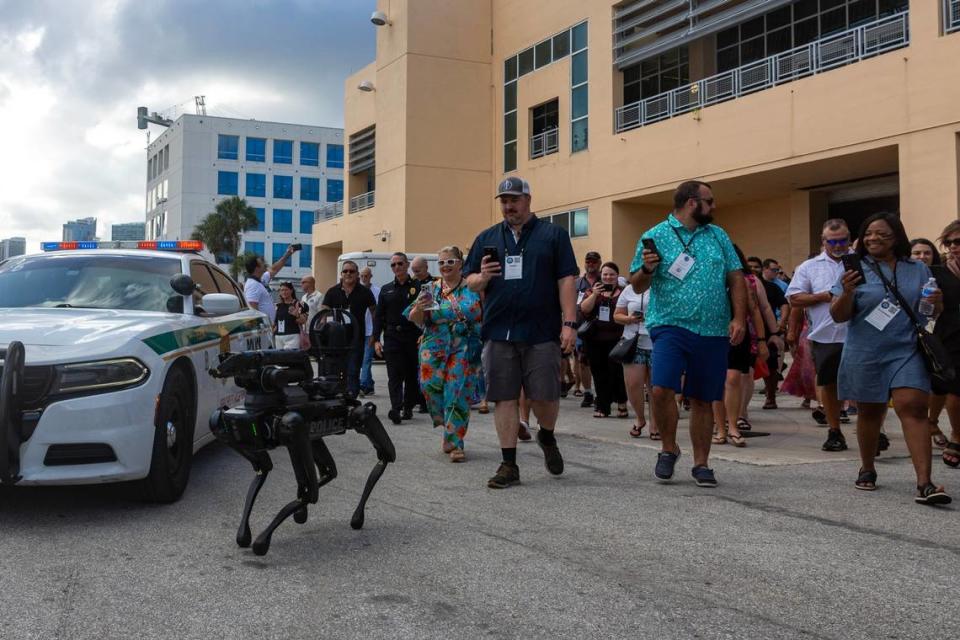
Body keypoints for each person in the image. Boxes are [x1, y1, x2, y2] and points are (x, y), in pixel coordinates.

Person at [630, 180, 746, 487]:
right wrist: (647, 269)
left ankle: (701, 464)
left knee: (703, 398)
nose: (714, 206)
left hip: (712, 329)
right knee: (660, 389)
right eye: (710, 201)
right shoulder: (654, 236)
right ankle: (668, 449)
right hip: (670, 324)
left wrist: (739, 318)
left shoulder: (718, 235)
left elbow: (736, 278)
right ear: (692, 203)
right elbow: (637, 284)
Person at [464, 176, 578, 489]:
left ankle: (547, 435)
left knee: (544, 398)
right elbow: (468, 280)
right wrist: (482, 277)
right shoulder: (488, 237)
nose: (508, 206)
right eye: (504, 200)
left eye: (514, 199)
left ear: (528, 200)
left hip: (541, 331)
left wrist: (569, 323)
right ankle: (509, 464)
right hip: (499, 330)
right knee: (504, 398)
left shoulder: (552, 235)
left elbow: (567, 279)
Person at [830, 212, 950, 505]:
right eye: (869, 233)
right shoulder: (855, 270)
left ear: (897, 237)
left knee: (913, 407)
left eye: (881, 234)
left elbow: (930, 312)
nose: (873, 238)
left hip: (906, 349)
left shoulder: (917, 269)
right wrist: (846, 291)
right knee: (871, 412)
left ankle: (925, 483)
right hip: (865, 351)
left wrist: (937, 303)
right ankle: (868, 467)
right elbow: (838, 315)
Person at [405, 246, 483, 462]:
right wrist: (420, 308)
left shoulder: (472, 287)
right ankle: (446, 425)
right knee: (429, 388)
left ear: (460, 263)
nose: (445, 266)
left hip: (463, 347)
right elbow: (414, 318)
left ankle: (455, 441)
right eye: (441, 262)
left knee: (456, 393)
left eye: (450, 261)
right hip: (433, 347)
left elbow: (479, 313)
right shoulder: (430, 288)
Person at [786, 219, 852, 451]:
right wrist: (823, 296)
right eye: (832, 241)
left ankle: (876, 431)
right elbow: (794, 298)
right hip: (827, 336)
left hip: (860, 334)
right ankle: (834, 431)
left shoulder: (863, 261)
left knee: (867, 385)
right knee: (831, 385)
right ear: (823, 241)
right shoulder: (809, 267)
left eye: (843, 240)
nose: (838, 245)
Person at [713, 246, 768, 448]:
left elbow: (754, 311)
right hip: (712, 335)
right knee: (716, 381)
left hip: (738, 334)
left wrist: (762, 341)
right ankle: (720, 427)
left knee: (733, 378)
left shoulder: (742, 281)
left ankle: (733, 425)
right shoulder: (707, 281)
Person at [372, 252, 423, 424]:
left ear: (407, 265)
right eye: (393, 265)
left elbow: (427, 313)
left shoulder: (419, 286)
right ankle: (396, 408)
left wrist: (425, 334)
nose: (397, 267)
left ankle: (407, 407)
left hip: (412, 335)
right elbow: (379, 316)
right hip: (392, 336)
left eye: (400, 264)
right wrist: (376, 339)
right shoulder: (386, 289)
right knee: (394, 375)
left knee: (410, 374)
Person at [911, 237, 948, 448]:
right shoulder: (901, 275)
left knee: (940, 383)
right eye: (917, 253)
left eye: (926, 253)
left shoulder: (942, 275)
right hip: (910, 335)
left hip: (939, 333)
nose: (922, 257)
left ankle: (932, 422)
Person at [578, 262, 627, 418]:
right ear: (601, 275)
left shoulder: (624, 292)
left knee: (617, 372)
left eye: (612, 274)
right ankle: (603, 406)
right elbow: (584, 309)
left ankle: (621, 402)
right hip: (595, 340)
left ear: (617, 276)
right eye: (605, 274)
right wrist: (594, 294)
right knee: (599, 373)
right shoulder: (592, 291)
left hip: (617, 339)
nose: (608, 277)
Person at [321, 260, 376, 396]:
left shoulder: (365, 292)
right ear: (341, 274)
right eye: (345, 271)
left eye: (351, 271)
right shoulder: (332, 292)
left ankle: (352, 398)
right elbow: (323, 315)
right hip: (336, 340)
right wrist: (322, 335)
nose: (348, 273)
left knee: (353, 370)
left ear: (357, 274)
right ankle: (339, 397)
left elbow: (375, 313)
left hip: (357, 338)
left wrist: (375, 334)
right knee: (337, 370)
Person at [614, 280, 658, 439]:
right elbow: (617, 316)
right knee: (633, 385)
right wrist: (630, 319)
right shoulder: (628, 290)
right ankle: (640, 419)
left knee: (656, 387)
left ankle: (655, 424)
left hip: (657, 342)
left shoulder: (663, 286)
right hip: (633, 342)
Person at [932, 222, 960, 468]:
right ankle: (956, 435)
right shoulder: (940, 272)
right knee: (955, 388)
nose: (953, 247)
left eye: (958, 242)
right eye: (949, 242)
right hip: (952, 335)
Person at [755, 258, 790, 409]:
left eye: (756, 266)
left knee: (771, 364)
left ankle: (771, 395)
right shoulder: (739, 286)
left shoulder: (772, 287)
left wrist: (781, 323)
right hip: (748, 331)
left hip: (770, 330)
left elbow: (784, 305)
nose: (753, 269)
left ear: (760, 268)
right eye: (750, 266)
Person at [242, 246, 298, 324]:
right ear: (256, 268)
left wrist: (288, 254)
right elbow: (252, 309)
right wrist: (260, 327)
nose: (264, 265)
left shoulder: (261, 279)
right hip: (263, 330)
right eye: (261, 264)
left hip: (268, 328)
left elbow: (274, 269)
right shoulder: (252, 285)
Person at [574, 252, 601, 408]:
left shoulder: (605, 280)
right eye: (588, 261)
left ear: (599, 263)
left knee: (600, 362)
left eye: (594, 262)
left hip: (601, 328)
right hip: (581, 328)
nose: (591, 264)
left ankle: (600, 392)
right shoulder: (577, 283)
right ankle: (588, 393)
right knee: (583, 362)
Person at [409, 256, 433, 413]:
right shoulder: (412, 284)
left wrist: (425, 332)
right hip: (412, 329)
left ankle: (426, 402)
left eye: (418, 270)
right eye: (414, 270)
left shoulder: (433, 284)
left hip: (427, 331)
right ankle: (415, 399)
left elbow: (431, 312)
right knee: (413, 369)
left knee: (426, 370)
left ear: (426, 267)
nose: (416, 273)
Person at [358, 267, 381, 396]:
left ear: (370, 276)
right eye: (361, 276)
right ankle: (369, 384)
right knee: (362, 359)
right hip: (360, 331)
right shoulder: (358, 291)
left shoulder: (377, 291)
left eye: (366, 276)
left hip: (371, 331)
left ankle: (362, 385)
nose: (363, 278)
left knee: (366, 360)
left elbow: (377, 312)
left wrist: (375, 333)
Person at [274, 282, 307, 350]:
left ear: (291, 291)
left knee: (290, 359)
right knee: (280, 359)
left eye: (286, 290)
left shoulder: (299, 304)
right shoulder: (278, 306)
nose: (284, 292)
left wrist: (296, 315)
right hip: (278, 337)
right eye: (281, 290)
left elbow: (303, 321)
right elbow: (275, 323)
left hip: (292, 336)